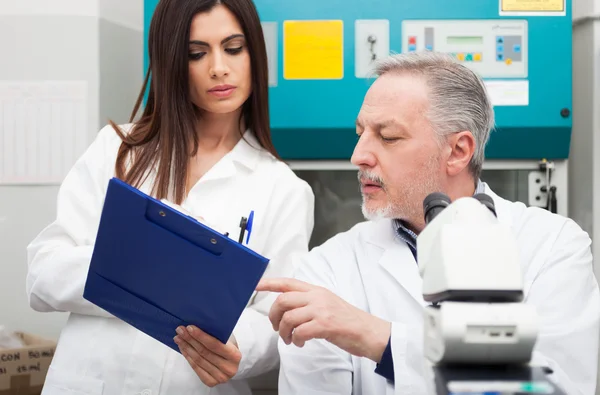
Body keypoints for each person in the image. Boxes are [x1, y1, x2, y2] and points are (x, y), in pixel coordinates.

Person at [256, 51, 600, 395]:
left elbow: (557, 386)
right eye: (360, 133)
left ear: (457, 151)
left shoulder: (553, 247)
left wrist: (380, 339)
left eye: (388, 136)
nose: (358, 156)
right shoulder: (327, 270)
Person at [25, 0, 314, 394]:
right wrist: (146, 269)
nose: (218, 67)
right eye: (196, 53)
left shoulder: (285, 190)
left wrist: (235, 348)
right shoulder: (118, 149)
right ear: (171, 61)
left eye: (233, 48)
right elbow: (44, 274)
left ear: (254, 55)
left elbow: (273, 314)